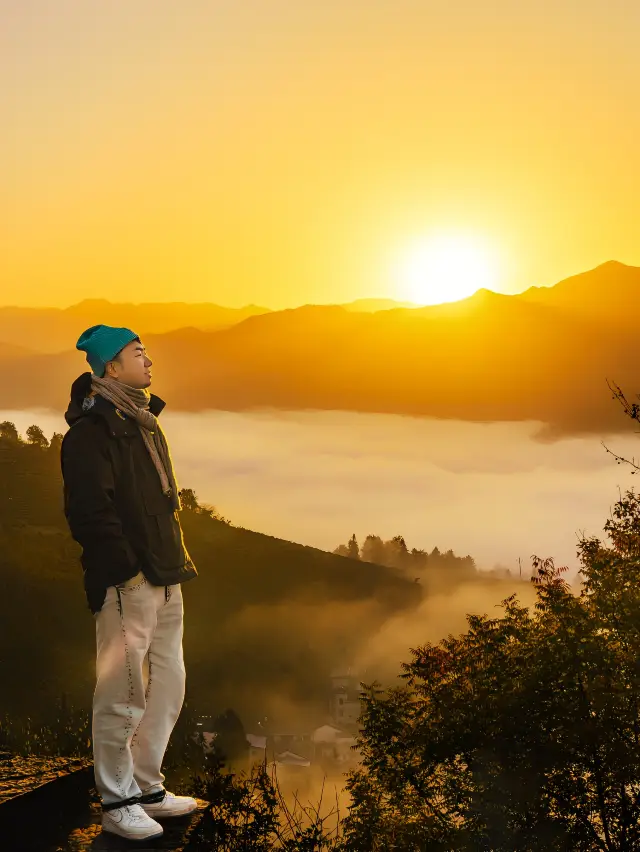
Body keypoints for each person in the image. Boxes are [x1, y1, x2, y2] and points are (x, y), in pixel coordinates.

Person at [60, 324, 199, 841]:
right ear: (110, 367)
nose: (148, 359)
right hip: (128, 581)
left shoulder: (141, 421)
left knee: (169, 683)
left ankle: (147, 787)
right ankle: (118, 801)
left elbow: (160, 504)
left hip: (166, 573)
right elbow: (89, 512)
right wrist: (127, 571)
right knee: (123, 690)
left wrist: (169, 565)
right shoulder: (91, 432)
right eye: (137, 353)